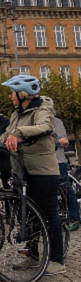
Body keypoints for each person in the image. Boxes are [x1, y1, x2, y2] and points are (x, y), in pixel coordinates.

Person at [0, 75, 65, 275]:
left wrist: (19, 132)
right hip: (22, 169)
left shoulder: (43, 108)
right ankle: (32, 255)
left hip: (42, 169)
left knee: (49, 214)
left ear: (23, 94)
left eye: (12, 92)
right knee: (28, 215)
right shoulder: (16, 113)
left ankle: (57, 260)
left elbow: (44, 127)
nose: (10, 96)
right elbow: (8, 134)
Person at [42, 96, 80, 231]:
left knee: (66, 189)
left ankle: (75, 218)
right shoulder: (36, 122)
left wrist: (60, 142)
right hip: (42, 162)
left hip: (57, 161)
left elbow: (63, 139)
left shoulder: (56, 122)